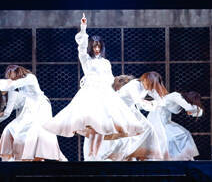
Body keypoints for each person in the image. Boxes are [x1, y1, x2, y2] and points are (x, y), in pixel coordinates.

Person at [44, 14, 145, 160]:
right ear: (91, 47)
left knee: (101, 127)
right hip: (91, 93)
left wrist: (118, 87)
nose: (97, 49)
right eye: (94, 46)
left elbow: (110, 78)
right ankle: (91, 156)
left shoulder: (106, 62)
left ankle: (94, 156)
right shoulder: (87, 60)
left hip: (104, 93)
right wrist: (83, 27)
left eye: (99, 46)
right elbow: (81, 47)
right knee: (91, 126)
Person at [0, 65, 67, 161]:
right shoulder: (17, 84)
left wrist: (7, 83)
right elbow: (3, 86)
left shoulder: (29, 78)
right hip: (29, 108)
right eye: (9, 76)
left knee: (38, 131)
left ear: (17, 72)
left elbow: (10, 86)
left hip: (41, 107)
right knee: (14, 129)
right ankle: (22, 157)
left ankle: (43, 156)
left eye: (11, 75)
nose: (11, 78)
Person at [96, 73, 169, 161]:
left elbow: (161, 101)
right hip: (119, 109)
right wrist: (152, 104)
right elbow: (139, 102)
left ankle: (145, 155)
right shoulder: (135, 85)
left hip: (130, 109)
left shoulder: (146, 88)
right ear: (145, 79)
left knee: (148, 128)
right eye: (148, 82)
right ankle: (113, 156)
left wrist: (157, 99)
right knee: (125, 137)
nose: (148, 85)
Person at [147, 91, 203, 161]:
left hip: (165, 121)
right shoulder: (177, 96)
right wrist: (195, 108)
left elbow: (196, 112)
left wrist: (196, 110)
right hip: (156, 120)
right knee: (169, 139)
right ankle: (171, 159)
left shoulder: (181, 102)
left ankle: (187, 158)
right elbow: (190, 108)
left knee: (185, 134)